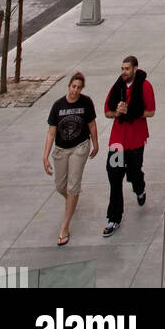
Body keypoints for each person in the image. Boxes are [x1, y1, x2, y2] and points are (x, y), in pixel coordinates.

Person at [102, 56, 155, 237]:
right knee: (114, 177)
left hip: (136, 140)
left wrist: (131, 111)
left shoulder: (145, 86)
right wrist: (117, 112)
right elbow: (107, 112)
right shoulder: (117, 87)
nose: (124, 72)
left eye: (127, 68)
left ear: (135, 69)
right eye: (122, 68)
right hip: (117, 142)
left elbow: (151, 111)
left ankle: (139, 188)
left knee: (134, 172)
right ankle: (114, 218)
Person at [44, 72, 99, 246]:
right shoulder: (58, 105)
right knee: (61, 185)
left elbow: (92, 124)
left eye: (79, 88)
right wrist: (45, 156)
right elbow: (51, 132)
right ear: (68, 86)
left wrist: (96, 144)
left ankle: (64, 228)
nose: (75, 90)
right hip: (61, 149)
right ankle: (72, 200)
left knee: (73, 185)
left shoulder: (86, 102)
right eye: (73, 87)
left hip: (80, 147)